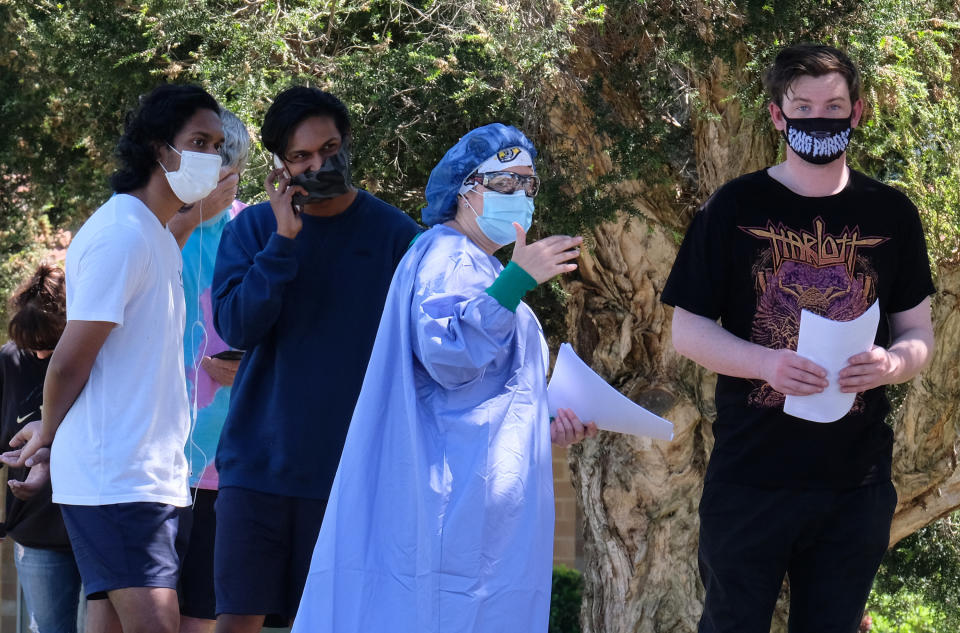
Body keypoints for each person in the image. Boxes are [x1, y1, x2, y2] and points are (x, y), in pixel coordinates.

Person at [661, 44, 935, 633]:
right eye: (803, 105)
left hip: (855, 485)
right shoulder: (732, 207)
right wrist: (764, 362)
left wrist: (890, 364)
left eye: (834, 104)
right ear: (777, 115)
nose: (820, 117)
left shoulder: (892, 214)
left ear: (857, 112)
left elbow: (918, 335)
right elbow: (686, 329)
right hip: (750, 477)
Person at [291, 123, 597, 633]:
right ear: (465, 189)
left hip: (479, 504)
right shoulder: (446, 256)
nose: (520, 195)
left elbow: (479, 397)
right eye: (504, 183)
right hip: (450, 510)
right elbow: (449, 357)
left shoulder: (473, 263)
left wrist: (543, 425)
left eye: (528, 183)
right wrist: (518, 279)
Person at [3, 83, 225, 633]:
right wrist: (47, 439)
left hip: (148, 477)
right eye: (198, 141)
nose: (210, 158)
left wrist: (194, 218)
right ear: (157, 149)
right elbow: (69, 361)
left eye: (218, 146)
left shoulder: (148, 232)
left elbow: (158, 247)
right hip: (120, 481)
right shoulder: (121, 234)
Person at [210, 86, 421, 632]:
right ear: (281, 165)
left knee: (332, 623)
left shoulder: (397, 236)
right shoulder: (252, 229)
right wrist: (283, 241)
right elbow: (236, 326)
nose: (320, 164)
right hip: (257, 467)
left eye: (329, 149)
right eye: (302, 156)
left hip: (351, 475)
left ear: (346, 144)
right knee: (236, 622)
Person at [166, 108, 251, 633]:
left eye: (220, 158)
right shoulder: (149, 223)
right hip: (150, 463)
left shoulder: (256, 228)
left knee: (200, 616)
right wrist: (187, 221)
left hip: (224, 463)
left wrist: (254, 369)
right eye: (198, 154)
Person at [1, 263, 85, 633]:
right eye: (30, 347)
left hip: (95, 521)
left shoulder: (96, 356)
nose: (39, 357)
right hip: (35, 530)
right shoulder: (9, 361)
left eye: (49, 347)